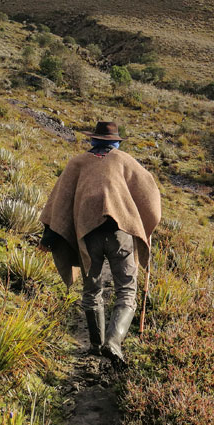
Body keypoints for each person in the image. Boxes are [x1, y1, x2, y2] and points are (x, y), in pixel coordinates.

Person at [38, 121, 161, 368]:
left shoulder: (78, 163)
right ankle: (114, 342)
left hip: (88, 236)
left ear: (93, 140)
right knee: (126, 290)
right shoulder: (125, 160)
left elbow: (59, 204)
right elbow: (149, 194)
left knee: (92, 290)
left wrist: (48, 240)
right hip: (120, 234)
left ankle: (96, 345)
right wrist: (146, 224)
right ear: (115, 142)